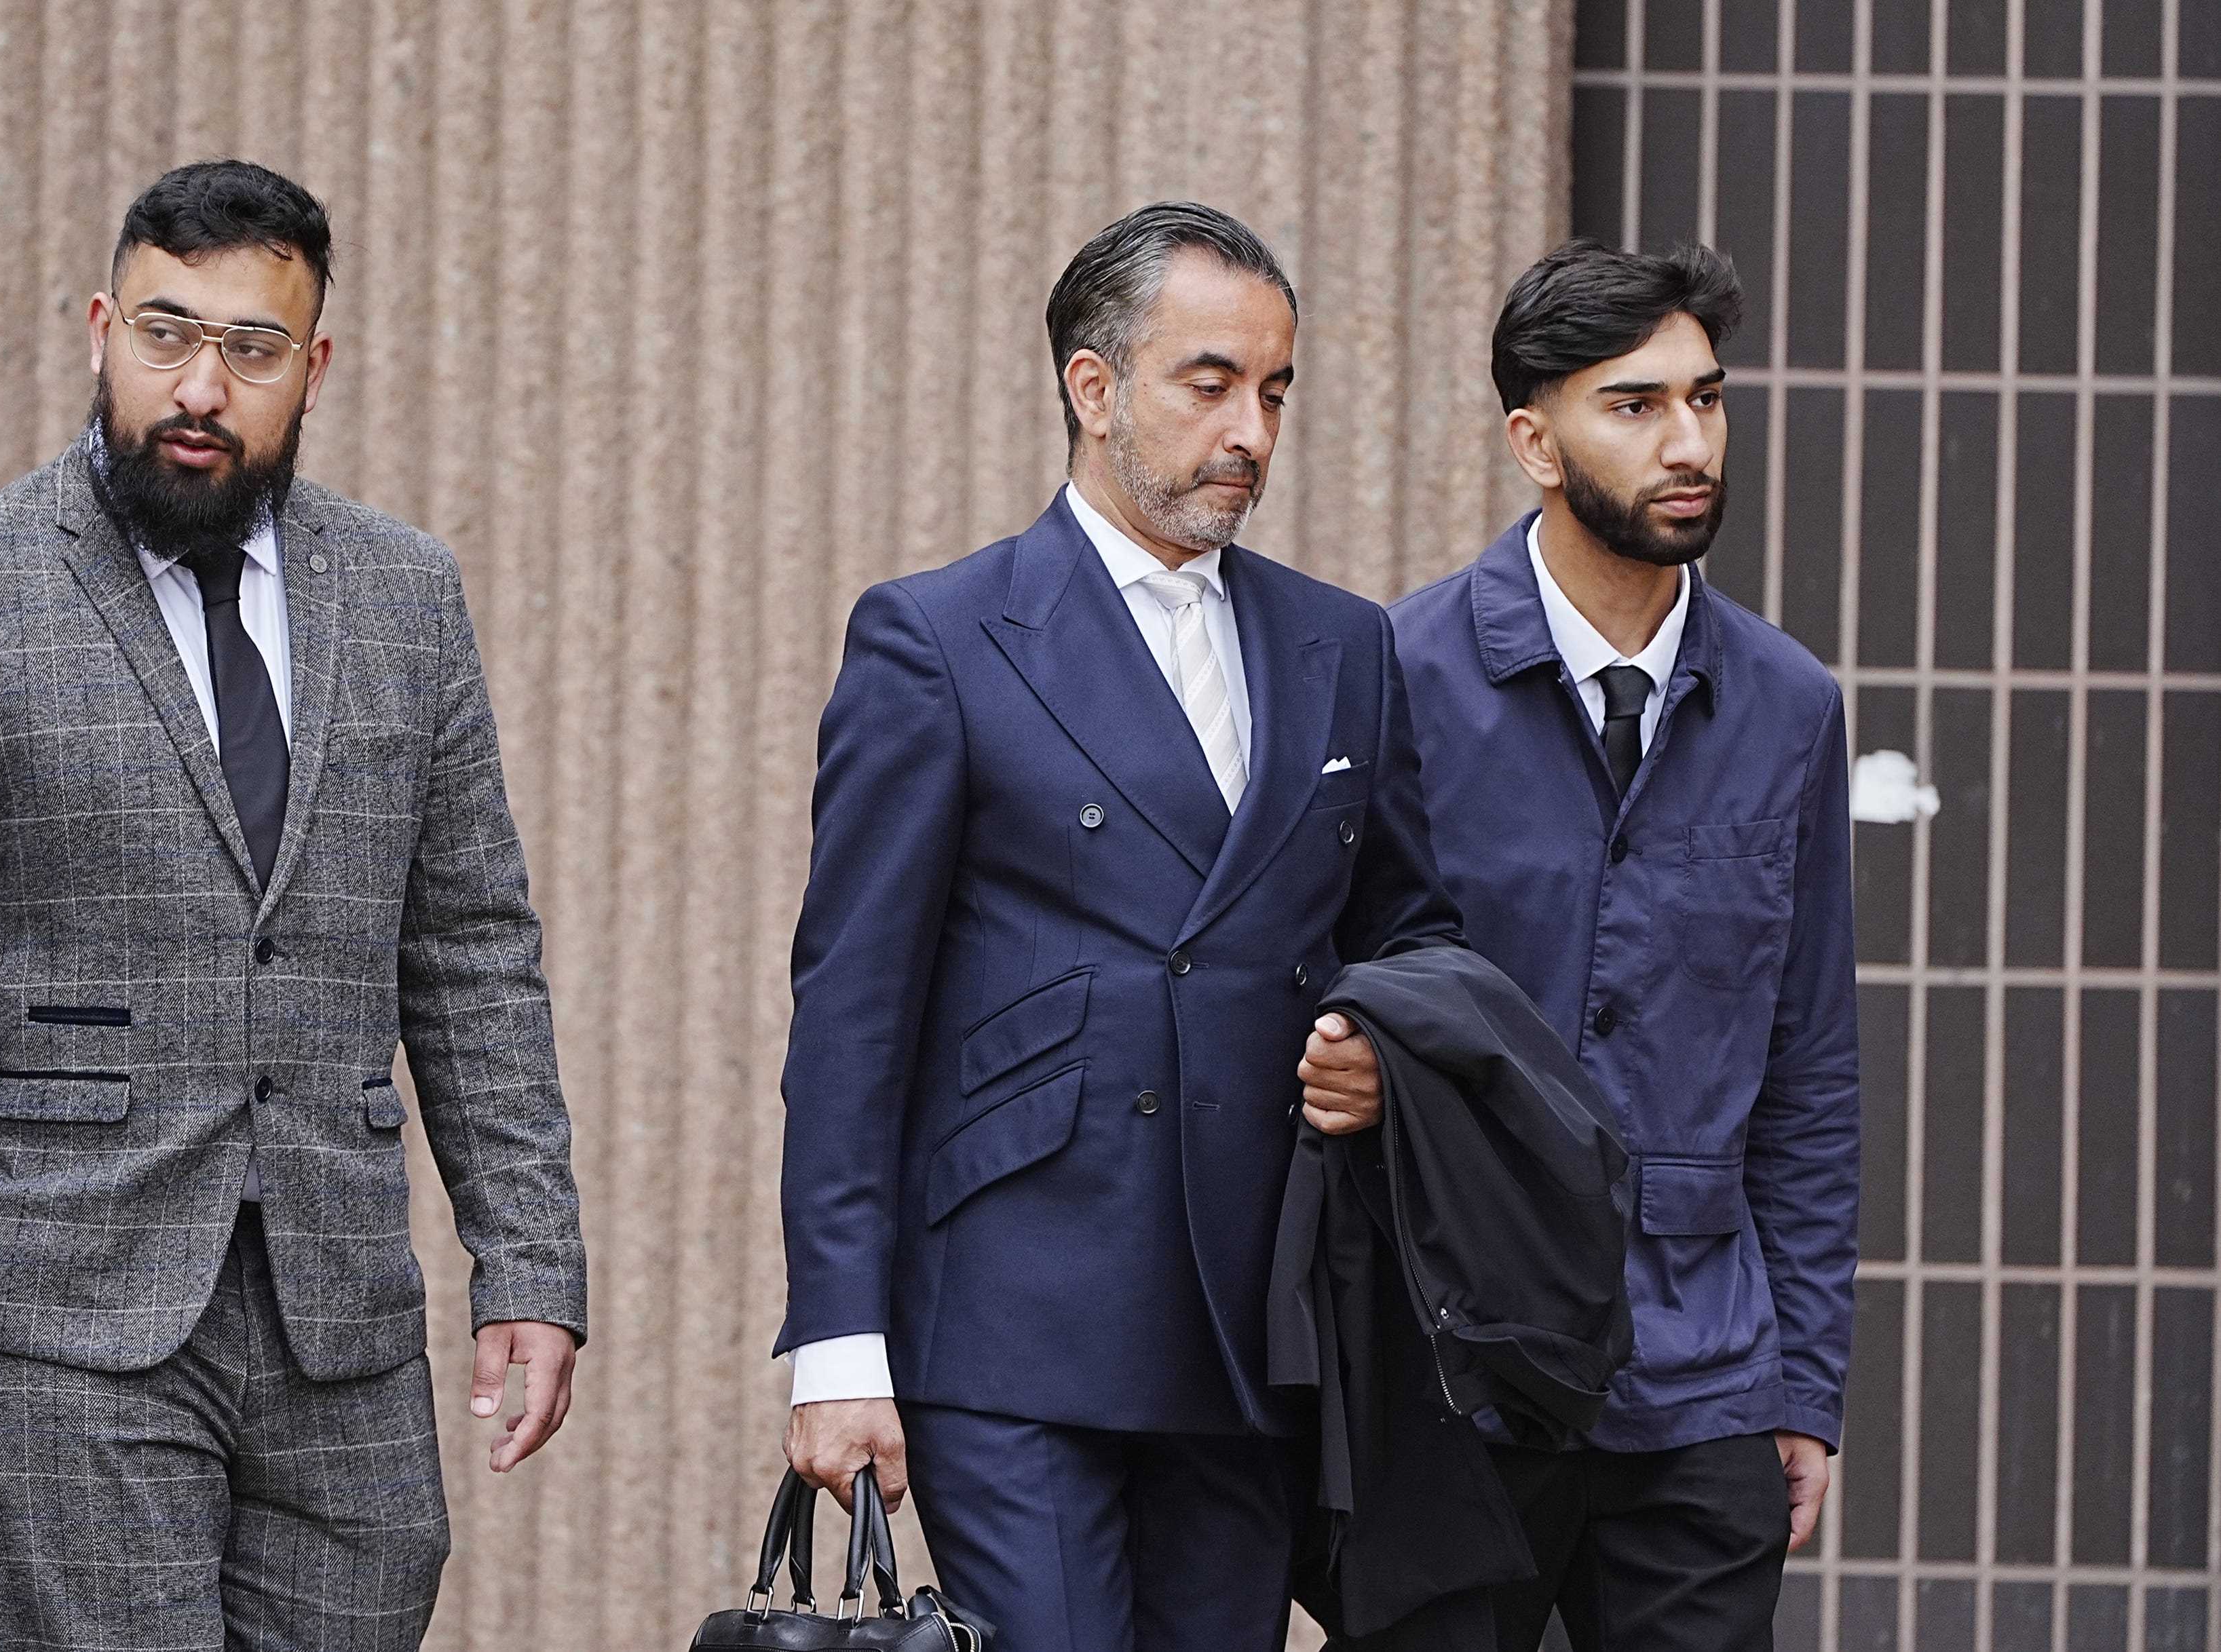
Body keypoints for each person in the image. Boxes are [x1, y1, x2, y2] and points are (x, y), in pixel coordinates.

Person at [0, 159, 586, 1651]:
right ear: (100, 328)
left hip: (336, 1310)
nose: (201, 387)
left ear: (313, 368)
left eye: (250, 348)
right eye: (166, 333)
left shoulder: (406, 595)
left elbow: (474, 951)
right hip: (63, 1307)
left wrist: (528, 1260)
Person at [774, 200, 1462, 1650]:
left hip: (1250, 1323)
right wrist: (837, 1347)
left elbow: (1411, 932)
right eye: (1207, 383)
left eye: (1273, 391)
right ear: (1093, 389)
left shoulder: (1342, 647)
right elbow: (851, 1017)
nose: (1251, 432)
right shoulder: (939, 637)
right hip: (1014, 1326)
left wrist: (1377, 1044)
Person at [1387, 240, 1859, 1651]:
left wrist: (1804, 1384)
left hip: (1700, 1379)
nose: (1687, 442)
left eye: (1703, 400)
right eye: (1634, 406)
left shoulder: (1786, 704)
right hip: (1449, 1371)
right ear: (1534, 439)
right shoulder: (1392, 678)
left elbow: (1808, 1062)